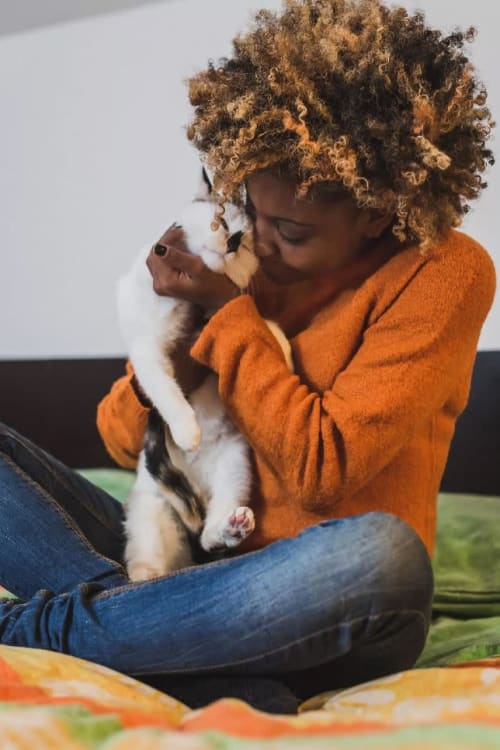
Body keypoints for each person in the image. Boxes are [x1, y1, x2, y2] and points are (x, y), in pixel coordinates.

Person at [0, 0, 496, 714]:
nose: (258, 245)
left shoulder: (444, 271)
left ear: (378, 211)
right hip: (190, 556)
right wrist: (180, 340)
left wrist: (230, 321)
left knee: (382, 556)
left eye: (290, 230)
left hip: (318, 600)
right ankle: (185, 658)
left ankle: (37, 628)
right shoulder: (234, 258)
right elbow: (118, 440)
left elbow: (325, 471)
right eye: (248, 212)